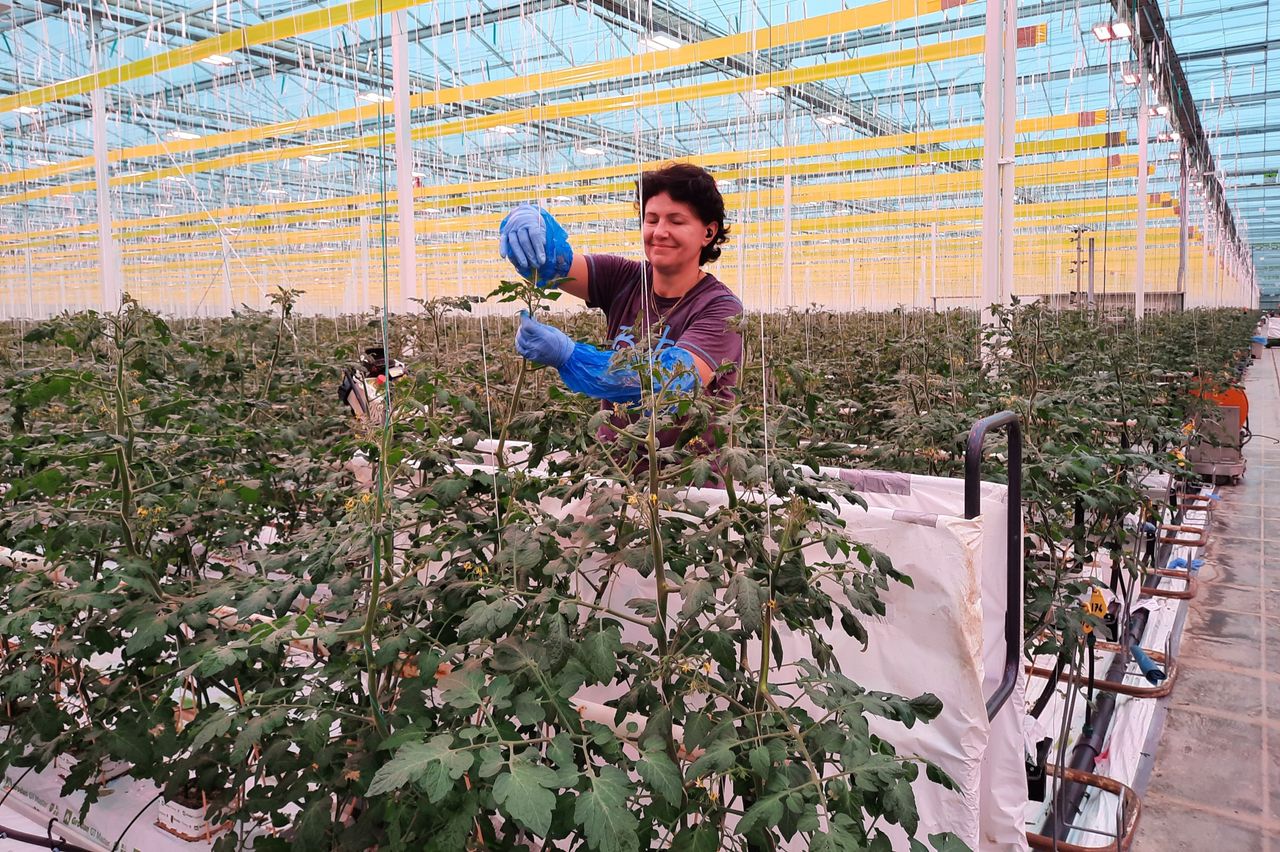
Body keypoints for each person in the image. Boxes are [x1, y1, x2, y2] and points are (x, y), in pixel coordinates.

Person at [497, 162, 743, 448]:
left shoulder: (721, 308)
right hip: (615, 472)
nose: (660, 232)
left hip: (688, 480)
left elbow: (674, 383)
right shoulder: (622, 277)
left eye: (676, 221)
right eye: (651, 220)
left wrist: (572, 357)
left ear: (708, 233)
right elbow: (552, 266)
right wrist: (528, 222)